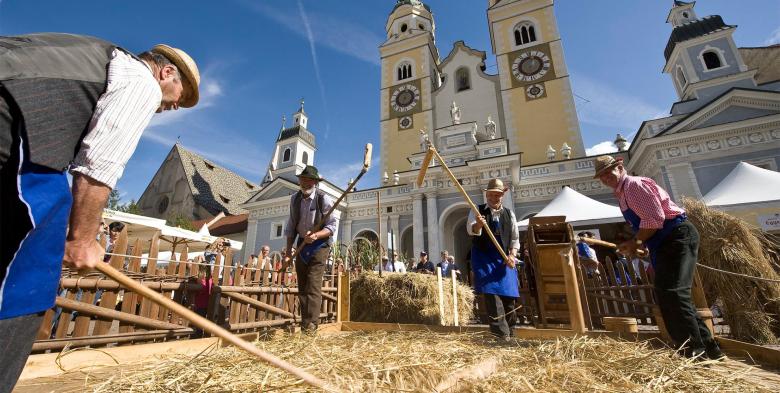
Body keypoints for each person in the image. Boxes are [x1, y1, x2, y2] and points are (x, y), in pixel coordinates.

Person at [0, 33, 199, 390]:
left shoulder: (94, 57)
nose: (171, 108)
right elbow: (98, 167)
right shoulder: (140, 80)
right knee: (34, 258)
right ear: (166, 73)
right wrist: (82, 239)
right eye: (178, 100)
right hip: (14, 115)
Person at [594, 155, 723, 360]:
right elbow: (649, 224)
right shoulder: (622, 194)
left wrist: (636, 242)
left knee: (673, 292)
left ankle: (693, 350)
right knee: (670, 293)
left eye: (608, 172)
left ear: (620, 167)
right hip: (664, 241)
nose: (605, 178)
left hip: (677, 236)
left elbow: (654, 219)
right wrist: (644, 244)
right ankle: (710, 348)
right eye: (601, 176)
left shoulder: (634, 185)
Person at [283, 165, 338, 333]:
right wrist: (288, 252)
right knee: (302, 285)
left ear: (314, 182)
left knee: (313, 284)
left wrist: (316, 235)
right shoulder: (295, 199)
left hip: (320, 244)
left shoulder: (323, 199)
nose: (304, 183)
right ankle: (304, 322)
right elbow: (291, 225)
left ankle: (311, 325)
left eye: (308, 180)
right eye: (302, 179)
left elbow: (332, 226)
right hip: (302, 243)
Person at [467, 178, 520, 340]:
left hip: (504, 259)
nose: (493, 198)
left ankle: (511, 332)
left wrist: (512, 255)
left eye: (497, 195)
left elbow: (514, 238)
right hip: (484, 258)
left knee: (509, 297)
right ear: (486, 195)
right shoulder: (477, 210)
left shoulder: (509, 214)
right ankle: (500, 335)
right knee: (492, 295)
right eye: (490, 195)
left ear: (502, 195)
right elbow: (470, 230)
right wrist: (478, 225)